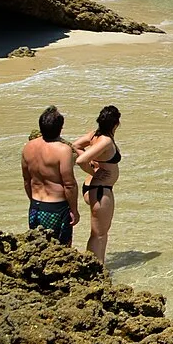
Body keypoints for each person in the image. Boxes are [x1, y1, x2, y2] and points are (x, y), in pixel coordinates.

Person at [21, 106, 80, 246]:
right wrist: (74, 210)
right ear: (60, 128)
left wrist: (33, 202)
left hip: (35, 207)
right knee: (62, 251)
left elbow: (26, 180)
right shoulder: (63, 150)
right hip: (57, 209)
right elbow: (69, 184)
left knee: (38, 248)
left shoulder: (28, 147)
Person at [73, 105, 122, 264]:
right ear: (116, 124)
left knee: (99, 233)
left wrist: (93, 166)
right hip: (100, 190)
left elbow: (76, 146)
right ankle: (96, 268)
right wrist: (94, 170)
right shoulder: (106, 141)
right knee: (99, 234)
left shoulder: (94, 135)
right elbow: (80, 159)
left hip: (94, 188)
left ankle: (97, 265)